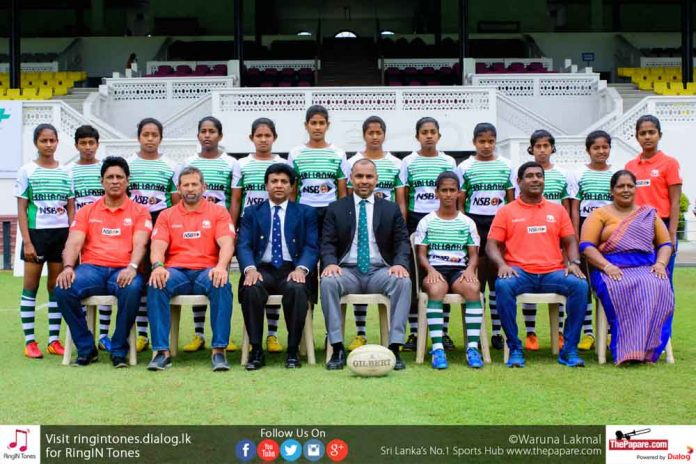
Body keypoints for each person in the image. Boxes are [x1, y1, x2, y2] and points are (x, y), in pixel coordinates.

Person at [486, 161, 588, 368]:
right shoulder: (507, 211)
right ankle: (515, 347)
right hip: (520, 273)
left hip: (553, 273)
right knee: (502, 286)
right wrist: (502, 265)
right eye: (530, 176)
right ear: (519, 181)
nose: (535, 179)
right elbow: (491, 245)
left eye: (539, 176)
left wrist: (574, 262)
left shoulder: (557, 210)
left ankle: (569, 350)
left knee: (580, 285)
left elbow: (570, 240)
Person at [55, 156, 151, 367]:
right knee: (63, 288)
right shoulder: (87, 211)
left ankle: (118, 349)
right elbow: (73, 242)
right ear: (102, 182)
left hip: (123, 269)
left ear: (127, 181)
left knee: (133, 288)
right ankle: (86, 348)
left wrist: (132, 267)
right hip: (92, 269)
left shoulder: (139, 211)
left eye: (119, 177)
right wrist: (69, 267)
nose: (115, 181)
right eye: (110, 177)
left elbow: (141, 244)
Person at [320, 159, 411, 370]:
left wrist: (399, 264)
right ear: (351, 179)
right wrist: (331, 263)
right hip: (347, 271)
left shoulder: (390, 209)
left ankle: (395, 347)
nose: (364, 181)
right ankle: (337, 347)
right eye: (359, 176)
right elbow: (327, 243)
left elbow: (402, 242)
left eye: (369, 176)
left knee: (403, 281)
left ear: (376, 179)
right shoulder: (336, 208)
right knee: (327, 281)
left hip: (380, 271)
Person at [579, 170, 674, 365]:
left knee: (658, 286)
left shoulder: (648, 214)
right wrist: (606, 266)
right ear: (612, 190)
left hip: (646, 267)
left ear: (635, 189)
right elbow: (586, 246)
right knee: (621, 287)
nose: (625, 190)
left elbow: (665, 244)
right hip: (611, 269)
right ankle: (627, 350)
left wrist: (660, 264)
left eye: (630, 186)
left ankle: (648, 350)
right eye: (620, 186)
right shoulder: (600, 214)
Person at [146, 166, 234, 371]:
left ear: (204, 187)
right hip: (176, 272)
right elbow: (157, 245)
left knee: (221, 283)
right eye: (185, 185)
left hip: (207, 270)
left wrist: (221, 267)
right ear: (178, 188)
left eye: (195, 184)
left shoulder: (218, 212)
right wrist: (158, 266)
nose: (190, 188)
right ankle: (161, 352)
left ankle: (219, 351)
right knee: (156, 283)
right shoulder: (167, 215)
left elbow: (227, 243)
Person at [237, 163, 319, 370]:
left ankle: (292, 350)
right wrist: (250, 269)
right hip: (262, 269)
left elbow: (312, 246)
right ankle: (256, 351)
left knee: (297, 288)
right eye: (274, 181)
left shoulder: (306, 212)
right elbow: (243, 244)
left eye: (284, 182)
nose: (279, 185)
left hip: (292, 268)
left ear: (292, 187)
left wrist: (301, 269)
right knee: (251, 288)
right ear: (266, 185)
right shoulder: (251, 212)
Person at [175, 116, 240, 354]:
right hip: (194, 226)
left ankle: (222, 335)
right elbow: (177, 196)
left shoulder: (230, 162)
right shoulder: (188, 162)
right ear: (198, 135)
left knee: (218, 277)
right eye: (203, 131)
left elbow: (234, 198)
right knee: (195, 271)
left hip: (218, 226)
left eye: (212, 131)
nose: (207, 135)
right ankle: (199, 333)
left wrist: (230, 227)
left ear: (220, 136)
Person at [345, 116, 407, 352]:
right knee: (355, 267)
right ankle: (360, 333)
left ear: (384, 134)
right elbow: (345, 195)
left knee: (398, 277)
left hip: (385, 228)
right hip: (358, 224)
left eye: (378, 132)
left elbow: (400, 199)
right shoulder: (352, 162)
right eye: (370, 132)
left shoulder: (395, 163)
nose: (374, 136)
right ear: (364, 135)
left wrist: (398, 224)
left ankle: (396, 341)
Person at [14, 124, 74, 359]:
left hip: (61, 235)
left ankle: (53, 340)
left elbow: (70, 208)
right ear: (36, 143)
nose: (49, 145)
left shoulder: (66, 172)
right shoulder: (27, 171)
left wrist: (71, 240)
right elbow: (21, 209)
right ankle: (30, 342)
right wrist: (27, 242)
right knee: (30, 287)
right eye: (44, 141)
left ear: (58, 142)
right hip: (36, 235)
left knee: (55, 288)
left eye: (52, 140)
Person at [232, 117, 291, 354]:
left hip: (277, 223)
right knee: (257, 279)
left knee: (278, 273)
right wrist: (232, 226)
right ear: (251, 138)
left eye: (268, 136)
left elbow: (290, 197)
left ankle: (273, 335)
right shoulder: (242, 164)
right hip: (253, 225)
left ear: (274, 138)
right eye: (259, 135)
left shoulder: (283, 162)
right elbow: (236, 198)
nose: (263, 139)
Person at [400, 117, 459, 352]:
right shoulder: (408, 161)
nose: (429, 136)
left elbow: (456, 193)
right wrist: (405, 230)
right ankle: (415, 332)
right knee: (415, 280)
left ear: (439, 135)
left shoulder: (448, 161)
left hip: (444, 221)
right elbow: (403, 196)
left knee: (443, 274)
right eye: (424, 132)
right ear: (417, 136)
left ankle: (442, 331)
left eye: (433, 131)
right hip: (416, 221)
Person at [414, 172, 484, 369]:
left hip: (459, 270)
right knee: (436, 289)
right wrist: (430, 269)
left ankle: (472, 348)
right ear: (436, 193)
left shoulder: (467, 222)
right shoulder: (427, 221)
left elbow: (474, 254)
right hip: (435, 268)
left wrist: (470, 270)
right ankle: (438, 349)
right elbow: (421, 254)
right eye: (443, 190)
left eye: (452, 190)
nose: (448, 194)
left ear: (459, 193)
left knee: (473, 288)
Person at [457, 123, 514, 352]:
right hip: (475, 224)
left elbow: (510, 200)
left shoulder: (506, 166)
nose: (487, 145)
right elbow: (461, 201)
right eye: (482, 141)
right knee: (477, 281)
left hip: (499, 226)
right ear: (474, 143)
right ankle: (477, 333)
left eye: (491, 141)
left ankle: (497, 332)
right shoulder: (465, 167)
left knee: (496, 281)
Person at [126, 117, 179, 352]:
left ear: (161, 138)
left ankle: (160, 332)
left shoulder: (170, 165)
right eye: (145, 134)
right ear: (138, 137)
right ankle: (142, 334)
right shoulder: (129, 164)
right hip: (135, 224)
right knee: (139, 277)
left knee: (157, 278)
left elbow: (176, 202)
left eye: (154, 135)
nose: (150, 139)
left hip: (161, 223)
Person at [288, 105, 349, 307]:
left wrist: (342, 219)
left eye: (321, 123)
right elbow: (293, 192)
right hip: (305, 214)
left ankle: (330, 328)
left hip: (331, 215)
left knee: (331, 265)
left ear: (327, 125)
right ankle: (307, 316)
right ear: (306, 125)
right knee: (307, 265)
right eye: (313, 123)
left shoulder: (338, 153)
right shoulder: (296, 153)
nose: (317, 127)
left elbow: (342, 192)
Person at [519, 130, 574, 351]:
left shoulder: (562, 174)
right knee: (528, 272)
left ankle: (559, 332)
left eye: (546, 146)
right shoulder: (523, 172)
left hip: (554, 232)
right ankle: (530, 332)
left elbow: (567, 208)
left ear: (552, 148)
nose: (542, 150)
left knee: (559, 280)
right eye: (538, 146)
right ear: (531, 148)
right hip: (530, 235)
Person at [65, 125, 116, 352]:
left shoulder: (105, 169)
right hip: (82, 231)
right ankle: (87, 332)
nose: (87, 147)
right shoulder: (69, 171)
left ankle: (104, 334)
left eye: (91, 143)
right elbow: (71, 204)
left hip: (105, 233)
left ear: (97, 144)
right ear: (76, 145)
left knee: (107, 282)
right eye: (83, 143)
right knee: (81, 284)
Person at [570, 130, 616, 351]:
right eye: (596, 147)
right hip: (587, 235)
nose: (601, 151)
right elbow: (575, 209)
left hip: (610, 236)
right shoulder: (579, 174)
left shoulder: (616, 174)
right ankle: (588, 333)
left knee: (608, 285)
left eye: (605, 147)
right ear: (588, 150)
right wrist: (577, 239)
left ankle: (607, 333)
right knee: (586, 286)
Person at [625, 115, 682, 288]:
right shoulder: (630, 167)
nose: (647, 137)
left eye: (652, 132)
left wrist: (672, 234)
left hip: (662, 227)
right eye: (643, 133)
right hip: (638, 229)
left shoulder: (670, 163)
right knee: (641, 280)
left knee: (663, 279)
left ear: (659, 135)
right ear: (637, 137)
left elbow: (675, 202)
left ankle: (666, 317)